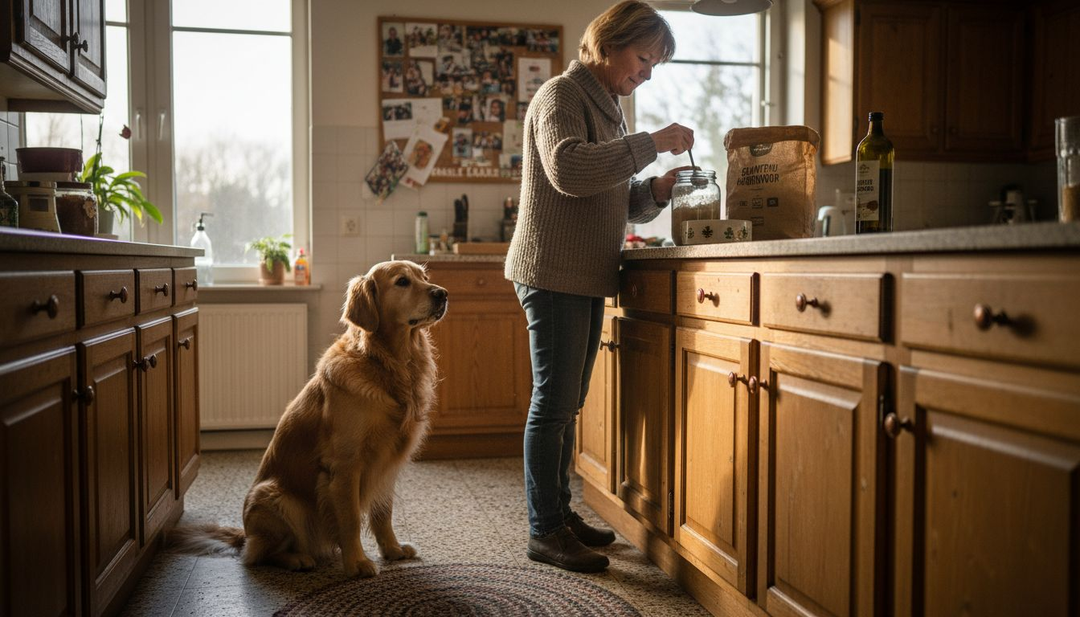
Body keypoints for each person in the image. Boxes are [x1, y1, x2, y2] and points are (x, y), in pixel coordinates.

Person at [503, 0, 693, 574]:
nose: (647, 73)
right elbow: (571, 170)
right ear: (609, 44)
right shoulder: (562, 95)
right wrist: (653, 143)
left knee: (567, 405)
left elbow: (615, 197)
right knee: (554, 404)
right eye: (644, 58)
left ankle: (558, 517)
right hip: (553, 271)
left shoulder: (608, 107)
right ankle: (545, 530)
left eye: (656, 64)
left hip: (581, 273)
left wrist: (656, 188)